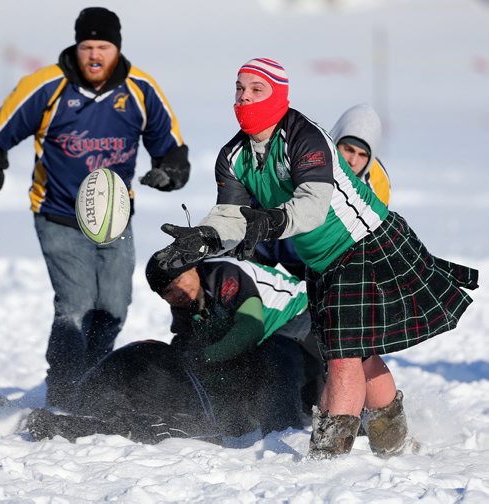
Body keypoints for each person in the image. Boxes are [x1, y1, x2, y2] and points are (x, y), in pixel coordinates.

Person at [153, 57, 479, 459]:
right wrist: (203, 238)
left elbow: (312, 207)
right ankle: (395, 445)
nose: (244, 96)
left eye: (257, 90)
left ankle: (328, 460)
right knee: (358, 351)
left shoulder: (305, 137)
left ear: (279, 95)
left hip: (365, 245)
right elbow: (231, 215)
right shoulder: (234, 155)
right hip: (322, 262)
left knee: (342, 356)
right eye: (239, 88)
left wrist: (267, 222)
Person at [0, 8, 190, 410]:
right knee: (76, 302)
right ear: (76, 46)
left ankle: (92, 378)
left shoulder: (139, 89)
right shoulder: (45, 86)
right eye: (87, 46)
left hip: (115, 217)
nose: (94, 55)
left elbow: (172, 150)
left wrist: (169, 172)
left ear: (117, 48)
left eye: (103, 46)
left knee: (114, 304)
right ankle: (65, 388)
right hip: (57, 213)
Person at [26, 257, 323, 444]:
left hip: (306, 322)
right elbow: (188, 352)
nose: (177, 292)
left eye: (180, 280)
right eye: (168, 291)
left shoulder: (223, 273)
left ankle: (282, 435)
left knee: (272, 358)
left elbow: (250, 329)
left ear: (194, 268)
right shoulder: (186, 307)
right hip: (259, 343)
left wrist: (207, 358)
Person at [252, 102, 390, 276]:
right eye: (348, 149)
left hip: (332, 262)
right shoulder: (304, 156)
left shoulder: (378, 186)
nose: (353, 161)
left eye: (363, 155)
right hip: (274, 246)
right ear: (335, 141)